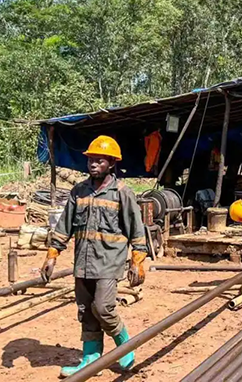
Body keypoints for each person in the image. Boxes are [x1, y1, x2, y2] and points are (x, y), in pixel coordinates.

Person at [40, 135, 148, 378]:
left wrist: (138, 262)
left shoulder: (122, 193)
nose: (93, 164)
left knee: (103, 308)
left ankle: (124, 344)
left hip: (109, 262)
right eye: (91, 160)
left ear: (112, 163)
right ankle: (91, 359)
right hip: (83, 263)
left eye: (99, 160)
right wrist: (52, 254)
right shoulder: (79, 191)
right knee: (86, 311)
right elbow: (64, 226)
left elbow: (137, 230)